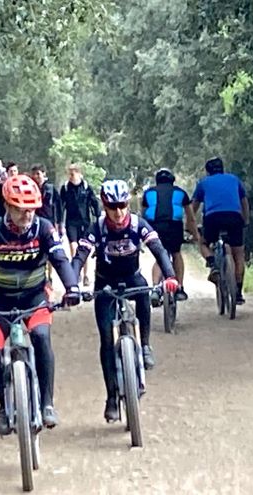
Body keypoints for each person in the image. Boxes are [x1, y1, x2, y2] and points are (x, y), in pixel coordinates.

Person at [0, 174, 82, 435]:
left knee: (42, 337)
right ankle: (3, 405)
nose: (27, 215)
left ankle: (47, 403)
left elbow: (60, 259)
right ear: (7, 206)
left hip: (35, 297)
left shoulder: (44, 229)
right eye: (21, 210)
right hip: (0, 299)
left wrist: (72, 288)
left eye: (31, 209)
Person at [71, 179, 179, 422]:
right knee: (107, 340)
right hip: (105, 284)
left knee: (143, 293)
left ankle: (147, 344)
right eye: (112, 207)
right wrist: (72, 285)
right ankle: (111, 398)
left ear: (128, 204)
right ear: (104, 205)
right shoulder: (96, 228)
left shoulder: (139, 224)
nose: (118, 212)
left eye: (122, 206)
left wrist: (170, 276)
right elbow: (79, 257)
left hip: (132, 278)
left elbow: (159, 249)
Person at [192, 157, 250, 305]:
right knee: (238, 254)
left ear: (207, 171)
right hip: (234, 217)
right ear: (222, 168)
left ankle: (212, 263)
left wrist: (190, 226)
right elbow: (244, 202)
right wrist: (245, 220)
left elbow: (193, 207)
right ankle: (237, 291)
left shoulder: (203, 183)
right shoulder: (234, 179)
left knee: (203, 242)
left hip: (213, 218)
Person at [141, 168, 196, 303]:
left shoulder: (148, 193)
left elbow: (143, 216)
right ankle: (180, 288)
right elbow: (191, 217)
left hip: (154, 226)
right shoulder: (180, 192)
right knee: (176, 253)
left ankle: (155, 288)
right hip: (174, 226)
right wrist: (194, 234)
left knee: (160, 256)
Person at [60, 163, 101, 286]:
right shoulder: (66, 188)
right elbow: (61, 206)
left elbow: (94, 202)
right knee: (73, 247)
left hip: (85, 221)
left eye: (73, 173)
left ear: (79, 173)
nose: (71, 176)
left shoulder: (86, 187)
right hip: (71, 222)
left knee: (84, 248)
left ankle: (85, 275)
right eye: (70, 173)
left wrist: (98, 217)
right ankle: (75, 272)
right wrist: (59, 221)